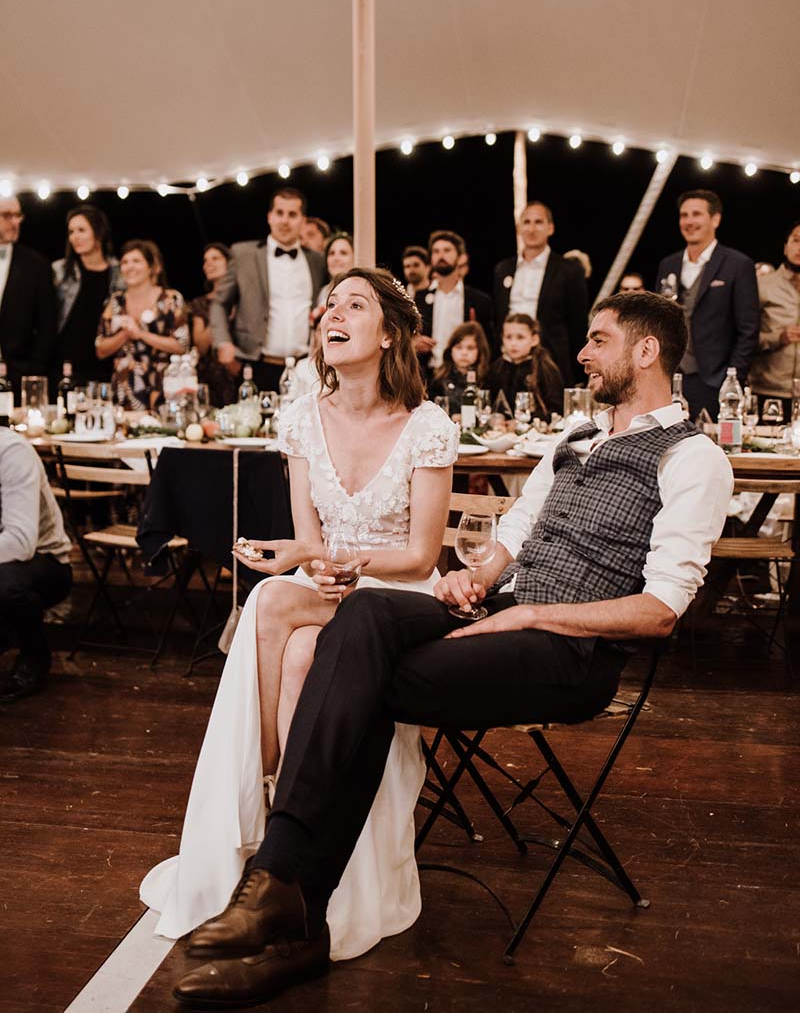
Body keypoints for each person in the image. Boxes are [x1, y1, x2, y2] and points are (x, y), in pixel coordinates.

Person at [173, 291, 733, 1007]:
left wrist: (529, 613)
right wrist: (478, 578)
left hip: (571, 654)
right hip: (502, 613)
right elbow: (516, 532)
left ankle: (285, 894)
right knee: (366, 612)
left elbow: (660, 611)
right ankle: (289, 899)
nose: (583, 353)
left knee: (360, 671)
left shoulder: (693, 458)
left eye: (598, 340)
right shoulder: (577, 437)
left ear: (646, 351)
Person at [142, 267, 458, 964]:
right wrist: (303, 556)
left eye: (354, 304)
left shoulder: (428, 427)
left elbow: (420, 556)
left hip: (397, 598)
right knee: (298, 651)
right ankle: (288, 841)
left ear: (390, 333)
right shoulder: (301, 420)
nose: (332, 314)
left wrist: (329, 561)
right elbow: (310, 542)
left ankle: (266, 809)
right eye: (329, 304)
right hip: (325, 589)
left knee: (269, 599)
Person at [209, 188, 327, 392]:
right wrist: (223, 342)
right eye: (279, 213)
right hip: (256, 365)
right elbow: (220, 302)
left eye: (292, 214)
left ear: (302, 220)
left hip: (304, 369)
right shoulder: (243, 254)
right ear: (269, 216)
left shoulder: (316, 261)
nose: (285, 221)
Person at [655, 190, 759, 419]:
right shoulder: (668, 264)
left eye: (696, 214)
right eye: (684, 215)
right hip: (669, 380)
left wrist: (730, 379)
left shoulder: (737, 264)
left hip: (714, 381)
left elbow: (749, 329)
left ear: (715, 219)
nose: (689, 221)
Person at [0, 424, 72, 702]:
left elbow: (21, 542)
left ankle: (34, 653)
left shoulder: (12, 452)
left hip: (45, 562)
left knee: (3, 585)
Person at [493, 201, 588, 386]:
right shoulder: (503, 269)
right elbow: (497, 317)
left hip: (553, 364)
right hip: (509, 364)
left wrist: (579, 371)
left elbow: (577, 325)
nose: (531, 229)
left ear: (550, 228)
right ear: (519, 228)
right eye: (526, 222)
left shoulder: (569, 270)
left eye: (538, 222)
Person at [96, 240, 188, 411]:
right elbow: (100, 349)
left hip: (164, 388)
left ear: (151, 267)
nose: (129, 266)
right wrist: (125, 334)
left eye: (136, 261)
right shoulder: (116, 302)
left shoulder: (170, 299)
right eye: (125, 262)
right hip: (126, 390)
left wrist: (141, 334)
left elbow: (181, 345)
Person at [52, 204, 122, 384]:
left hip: (105, 361)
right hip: (65, 363)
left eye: (81, 230)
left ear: (99, 233)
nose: (75, 237)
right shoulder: (59, 270)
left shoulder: (119, 272)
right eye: (71, 231)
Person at [0, 196, 56, 403]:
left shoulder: (37, 265)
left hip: (20, 376)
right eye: (7, 215)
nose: (15, 222)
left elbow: (47, 325)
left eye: (18, 215)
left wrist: (34, 373)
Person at [414, 231, 494, 371]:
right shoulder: (419, 298)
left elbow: (488, 344)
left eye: (447, 250)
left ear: (461, 257)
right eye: (436, 251)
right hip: (428, 372)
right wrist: (414, 342)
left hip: (465, 373)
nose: (441, 256)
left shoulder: (479, 300)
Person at [747, 219, 800, 421]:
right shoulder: (763, 286)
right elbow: (745, 338)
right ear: (785, 247)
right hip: (769, 391)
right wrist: (779, 337)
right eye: (796, 240)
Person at [189, 243, 238, 409]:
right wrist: (219, 314)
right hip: (210, 377)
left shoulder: (242, 300)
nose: (208, 264)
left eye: (215, 258)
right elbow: (201, 347)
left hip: (239, 372)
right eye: (205, 260)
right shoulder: (200, 303)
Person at [486, 312, 563, 417]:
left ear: (534, 339)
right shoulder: (496, 368)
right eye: (508, 337)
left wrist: (529, 419)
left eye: (520, 337)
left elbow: (556, 409)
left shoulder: (545, 368)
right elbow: (488, 403)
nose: (513, 343)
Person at [428, 321, 490, 406]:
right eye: (459, 347)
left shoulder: (487, 379)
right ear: (450, 350)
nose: (464, 353)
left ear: (480, 352)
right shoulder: (438, 379)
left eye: (470, 348)